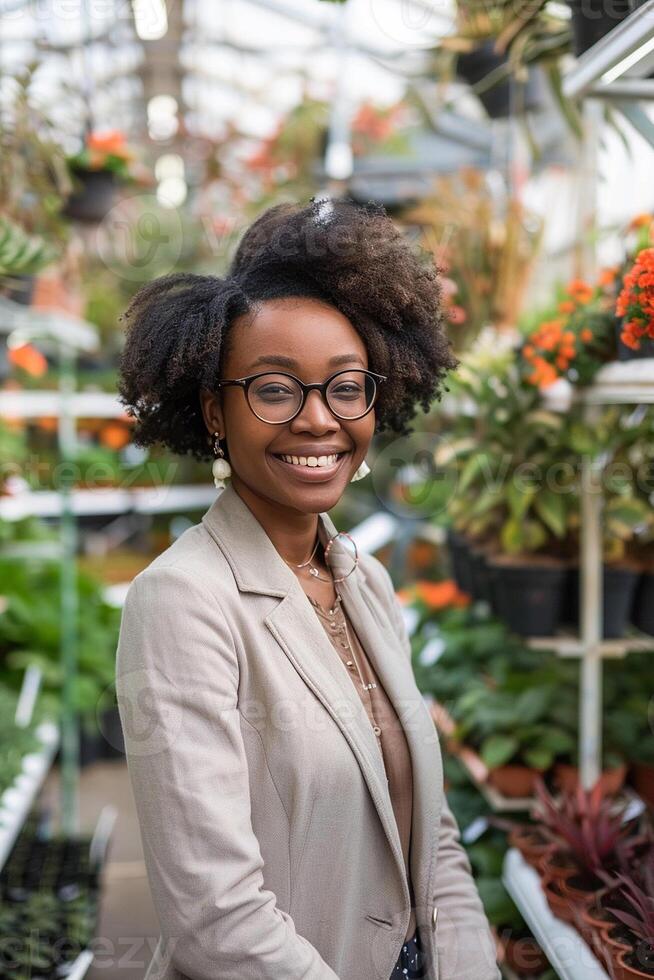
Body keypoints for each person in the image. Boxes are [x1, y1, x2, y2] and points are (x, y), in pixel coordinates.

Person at [114, 197, 501, 980]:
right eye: (276, 389)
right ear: (213, 411)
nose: (318, 420)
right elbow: (216, 920)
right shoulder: (184, 602)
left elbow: (436, 837)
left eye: (345, 387)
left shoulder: (367, 581)